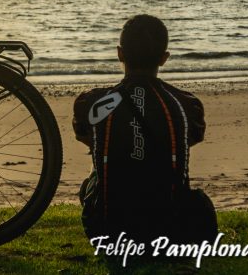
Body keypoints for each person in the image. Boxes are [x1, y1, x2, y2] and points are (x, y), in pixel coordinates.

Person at [72, 14, 216, 246]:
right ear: (164, 58)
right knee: (199, 200)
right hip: (171, 231)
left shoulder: (93, 103)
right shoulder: (186, 105)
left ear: (120, 54)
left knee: (91, 177)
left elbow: (84, 135)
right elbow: (190, 139)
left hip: (105, 231)